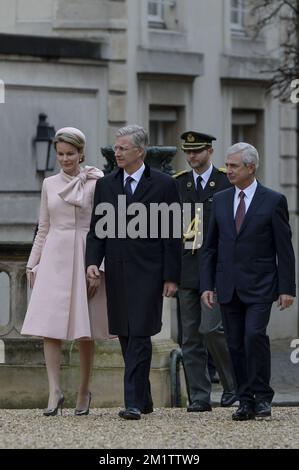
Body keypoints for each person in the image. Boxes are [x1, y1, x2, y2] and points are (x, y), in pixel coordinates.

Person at [86, 125, 181, 420]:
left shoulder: (164, 184)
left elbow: (173, 233)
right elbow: (96, 229)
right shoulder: (106, 185)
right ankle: (146, 397)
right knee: (126, 335)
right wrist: (92, 262)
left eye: (123, 148)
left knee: (139, 334)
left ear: (140, 152)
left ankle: (132, 403)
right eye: (116, 148)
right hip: (116, 270)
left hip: (150, 273)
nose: (117, 152)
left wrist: (171, 276)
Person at [201, 142, 296, 421]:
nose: (227, 170)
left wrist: (287, 289)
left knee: (254, 335)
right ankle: (245, 400)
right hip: (227, 286)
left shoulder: (273, 200)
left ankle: (262, 396)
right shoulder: (219, 200)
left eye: (234, 166)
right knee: (234, 343)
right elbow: (210, 247)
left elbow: (284, 249)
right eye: (227, 165)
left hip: (261, 285)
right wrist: (207, 285)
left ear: (251, 167)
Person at [21, 127, 109, 416]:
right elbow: (43, 228)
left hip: (87, 258)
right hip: (54, 259)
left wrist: (100, 267)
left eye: (70, 154)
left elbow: (104, 229)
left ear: (81, 153)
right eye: (60, 154)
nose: (65, 159)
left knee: (86, 332)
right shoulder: (48, 184)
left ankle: (84, 392)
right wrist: (32, 263)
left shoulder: (97, 182)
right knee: (50, 328)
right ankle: (54, 391)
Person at [175, 131, 236, 412]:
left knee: (212, 330)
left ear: (210, 151)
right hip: (187, 269)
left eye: (197, 151)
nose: (191, 157)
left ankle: (232, 385)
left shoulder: (225, 182)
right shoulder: (179, 184)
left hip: (216, 270)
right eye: (188, 152)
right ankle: (199, 396)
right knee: (189, 337)